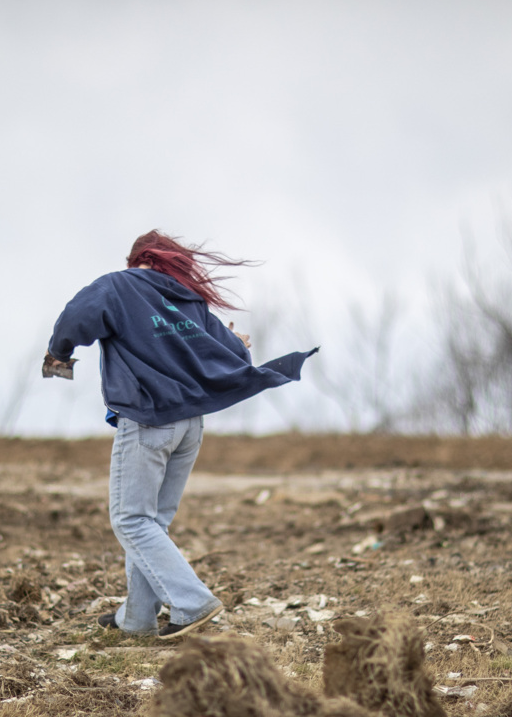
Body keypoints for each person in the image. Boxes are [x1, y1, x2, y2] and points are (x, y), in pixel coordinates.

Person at [45, 230, 317, 639]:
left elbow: (73, 319)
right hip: (190, 426)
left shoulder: (120, 286)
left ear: (139, 259)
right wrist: (239, 344)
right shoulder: (190, 301)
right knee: (152, 522)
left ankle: (192, 602)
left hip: (149, 422)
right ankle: (137, 619)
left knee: (131, 520)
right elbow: (233, 351)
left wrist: (60, 353)